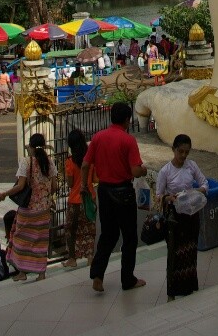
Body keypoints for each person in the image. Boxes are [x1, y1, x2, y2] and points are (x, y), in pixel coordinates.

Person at [81, 101, 147, 293]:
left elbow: (85, 165)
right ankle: (127, 279)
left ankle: (98, 275)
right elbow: (135, 171)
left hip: (104, 191)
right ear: (127, 120)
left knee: (108, 235)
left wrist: (84, 185)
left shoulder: (98, 137)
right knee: (129, 237)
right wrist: (143, 170)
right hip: (123, 192)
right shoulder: (128, 140)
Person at [0, 132, 57, 281]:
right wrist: (46, 196)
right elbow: (54, 186)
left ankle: (22, 271)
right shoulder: (50, 162)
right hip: (44, 209)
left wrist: (5, 193)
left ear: (31, 147)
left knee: (21, 238)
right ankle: (41, 272)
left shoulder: (26, 162)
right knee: (41, 240)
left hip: (28, 209)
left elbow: (20, 186)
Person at [156, 133, 208, 301]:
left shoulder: (191, 166)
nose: (183, 156)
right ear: (174, 150)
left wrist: (194, 192)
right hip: (175, 218)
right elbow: (159, 196)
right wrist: (169, 198)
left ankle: (189, 285)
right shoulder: (165, 171)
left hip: (191, 214)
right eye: (181, 152)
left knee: (190, 251)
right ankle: (172, 290)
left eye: (187, 152)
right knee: (175, 253)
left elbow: (204, 184)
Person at [62, 129, 96, 269]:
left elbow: (70, 184)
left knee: (71, 229)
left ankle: (72, 258)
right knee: (89, 228)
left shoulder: (70, 162)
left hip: (75, 200)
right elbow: (94, 178)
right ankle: (89, 257)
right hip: (89, 198)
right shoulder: (90, 159)